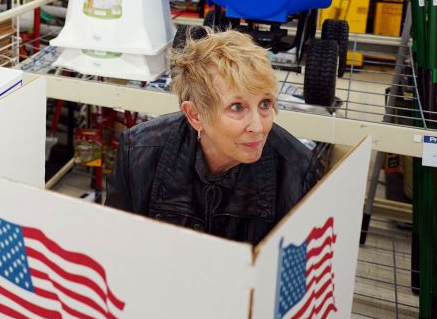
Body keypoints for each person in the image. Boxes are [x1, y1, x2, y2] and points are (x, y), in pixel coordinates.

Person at [105, 29, 321, 245]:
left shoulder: (297, 171)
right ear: (195, 115)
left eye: (265, 104)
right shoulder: (138, 153)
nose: (258, 126)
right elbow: (116, 248)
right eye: (237, 107)